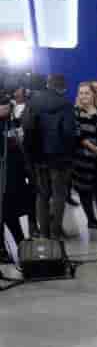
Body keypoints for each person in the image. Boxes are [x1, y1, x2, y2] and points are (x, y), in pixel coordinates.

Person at [22, 73, 79, 239]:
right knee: (59, 195)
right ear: (63, 87)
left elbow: (26, 127)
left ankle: (44, 234)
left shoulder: (33, 102)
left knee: (42, 195)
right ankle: (56, 232)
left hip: (39, 157)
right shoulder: (66, 104)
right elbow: (69, 132)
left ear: (48, 84)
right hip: (60, 157)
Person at [72, 82, 97, 229]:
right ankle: (91, 220)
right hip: (83, 159)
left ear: (93, 94)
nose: (84, 96)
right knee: (85, 190)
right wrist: (91, 147)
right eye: (81, 93)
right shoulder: (74, 112)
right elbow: (76, 134)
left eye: (87, 93)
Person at [0, 92, 33, 258]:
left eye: (7, 105)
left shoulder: (12, 122)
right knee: (6, 212)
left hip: (14, 176)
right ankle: (6, 249)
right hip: (4, 176)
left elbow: (20, 147)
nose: (6, 108)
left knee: (10, 212)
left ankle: (21, 245)